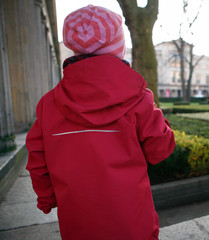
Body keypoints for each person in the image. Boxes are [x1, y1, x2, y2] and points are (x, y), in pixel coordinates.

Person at [26, 5, 175, 240]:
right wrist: (155, 111)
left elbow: (37, 160)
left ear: (73, 47)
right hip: (132, 220)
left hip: (78, 222)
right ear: (118, 47)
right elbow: (160, 150)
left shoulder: (48, 105)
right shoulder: (138, 98)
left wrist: (46, 199)